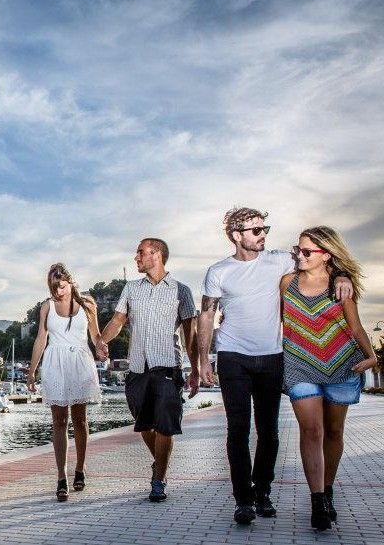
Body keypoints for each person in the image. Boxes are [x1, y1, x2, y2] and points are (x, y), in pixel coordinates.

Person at [197, 207, 353, 525]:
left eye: (264, 227)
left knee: (269, 430)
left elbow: (320, 258)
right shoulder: (218, 271)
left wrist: (343, 276)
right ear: (236, 235)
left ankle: (262, 491)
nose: (263, 234)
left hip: (272, 355)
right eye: (256, 230)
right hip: (232, 355)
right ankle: (243, 500)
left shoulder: (280, 259)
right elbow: (206, 315)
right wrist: (202, 359)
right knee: (238, 429)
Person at [280, 226, 377, 530]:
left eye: (307, 251)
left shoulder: (341, 286)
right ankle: (318, 499)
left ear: (327, 255)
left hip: (340, 365)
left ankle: (328, 486)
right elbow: (274, 322)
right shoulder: (286, 283)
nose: (300, 255)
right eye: (298, 249)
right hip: (299, 364)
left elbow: (357, 328)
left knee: (334, 431)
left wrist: (371, 356)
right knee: (312, 430)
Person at [96, 238, 197, 503]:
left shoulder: (181, 291)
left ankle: (159, 479)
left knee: (165, 425)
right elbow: (118, 321)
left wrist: (197, 368)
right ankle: (160, 464)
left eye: (141, 252)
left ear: (157, 254)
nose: (136, 257)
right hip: (137, 368)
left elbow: (191, 334)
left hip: (167, 367)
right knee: (143, 425)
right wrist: (102, 340)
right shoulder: (131, 289)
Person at [27, 263, 106, 502]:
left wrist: (101, 347)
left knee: (80, 420)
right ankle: (61, 477)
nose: (58, 291)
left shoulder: (88, 305)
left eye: (61, 286)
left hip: (80, 361)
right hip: (55, 363)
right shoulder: (46, 307)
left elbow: (95, 335)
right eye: (53, 287)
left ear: (70, 282)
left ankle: (80, 469)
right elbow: (41, 339)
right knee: (59, 421)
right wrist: (32, 371)